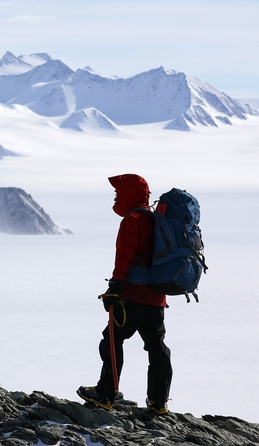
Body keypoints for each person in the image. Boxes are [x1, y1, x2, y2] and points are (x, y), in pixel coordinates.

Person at [77, 174, 172, 414]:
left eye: (119, 192)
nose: (116, 196)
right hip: (157, 296)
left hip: (135, 294)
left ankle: (106, 394)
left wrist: (115, 288)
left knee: (112, 338)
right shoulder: (155, 218)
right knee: (156, 346)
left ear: (130, 193)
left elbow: (125, 256)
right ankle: (159, 401)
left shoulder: (134, 219)